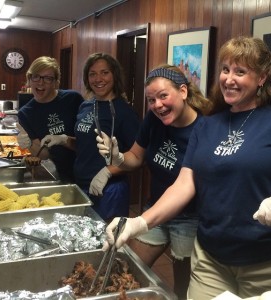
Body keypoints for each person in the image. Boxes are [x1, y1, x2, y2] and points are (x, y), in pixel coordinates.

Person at [99, 36, 271, 299]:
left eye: (240, 71)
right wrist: (139, 223)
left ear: (262, 78)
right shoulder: (208, 126)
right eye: (225, 69)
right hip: (210, 258)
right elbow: (185, 184)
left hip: (267, 262)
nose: (229, 79)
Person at [96, 64, 211, 299]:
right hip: (155, 208)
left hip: (190, 218)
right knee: (129, 267)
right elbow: (136, 158)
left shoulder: (205, 128)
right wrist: (116, 158)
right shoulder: (153, 119)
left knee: (183, 285)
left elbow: (188, 184)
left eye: (163, 96)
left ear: (183, 91)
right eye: (151, 100)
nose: (157, 105)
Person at [41, 53, 140, 222]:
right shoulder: (86, 106)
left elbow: (138, 158)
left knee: (108, 240)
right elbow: (84, 145)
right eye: (92, 74)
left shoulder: (124, 112)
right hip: (81, 183)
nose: (98, 78)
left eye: (104, 72)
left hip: (110, 189)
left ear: (114, 75)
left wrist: (107, 172)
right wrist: (64, 139)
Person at [17, 56, 84, 183]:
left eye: (48, 78)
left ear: (56, 82)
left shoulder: (73, 99)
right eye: (36, 76)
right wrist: (30, 145)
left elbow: (89, 140)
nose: (40, 83)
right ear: (29, 79)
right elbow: (44, 155)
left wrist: (64, 140)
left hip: (86, 169)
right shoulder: (25, 113)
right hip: (60, 175)